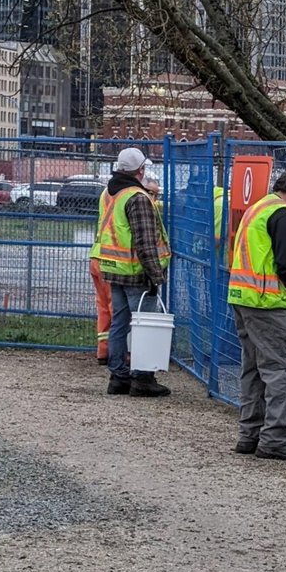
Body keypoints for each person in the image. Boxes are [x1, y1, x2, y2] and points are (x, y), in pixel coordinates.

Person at [227, 168, 286, 461]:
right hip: (268, 303)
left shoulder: (258, 208)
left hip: (244, 298)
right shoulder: (283, 214)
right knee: (280, 371)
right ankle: (274, 439)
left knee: (253, 370)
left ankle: (250, 434)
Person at [89, 147, 172, 398]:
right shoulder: (137, 197)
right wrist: (156, 276)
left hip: (114, 269)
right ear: (140, 170)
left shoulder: (111, 193)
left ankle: (118, 377)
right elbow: (145, 242)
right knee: (144, 326)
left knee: (119, 324)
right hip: (136, 273)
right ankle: (143, 378)